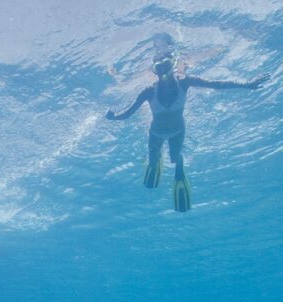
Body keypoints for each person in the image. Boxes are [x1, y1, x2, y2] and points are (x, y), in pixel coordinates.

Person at [105, 33, 270, 212]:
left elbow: (218, 84)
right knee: (153, 163)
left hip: (177, 132)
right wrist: (114, 117)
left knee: (175, 159)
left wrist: (247, 84)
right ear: (154, 71)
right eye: (159, 68)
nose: (163, 72)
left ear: (174, 64)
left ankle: (179, 166)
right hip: (156, 134)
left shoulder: (186, 82)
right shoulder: (148, 91)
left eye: (166, 65)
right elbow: (128, 113)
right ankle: (157, 161)